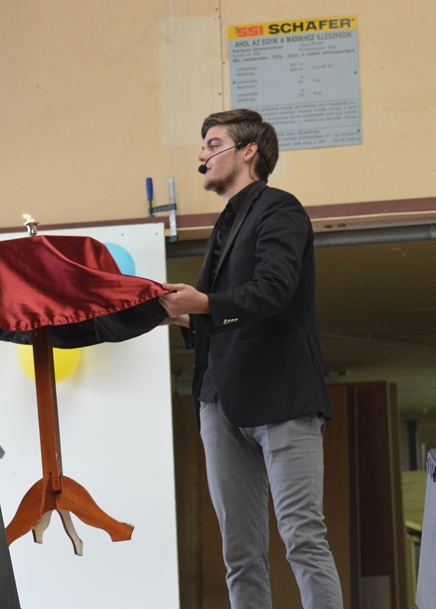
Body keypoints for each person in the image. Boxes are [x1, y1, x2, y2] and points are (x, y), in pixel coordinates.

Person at [159, 110, 342, 609]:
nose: (201, 156)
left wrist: (203, 303)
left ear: (248, 152)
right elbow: (222, 314)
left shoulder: (279, 208)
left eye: (212, 144)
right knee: (239, 552)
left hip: (282, 395)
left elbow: (274, 290)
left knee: (302, 535)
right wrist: (178, 314)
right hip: (218, 399)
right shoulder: (225, 222)